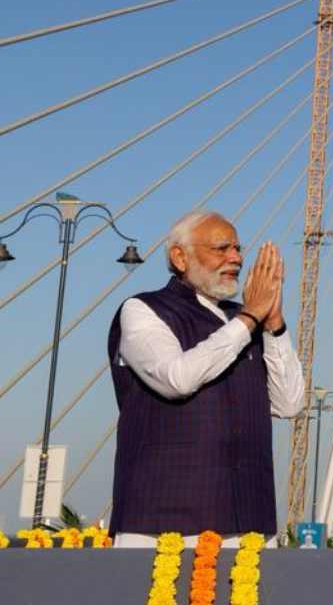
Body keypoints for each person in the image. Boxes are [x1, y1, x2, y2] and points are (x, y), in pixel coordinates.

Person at [107, 209, 304, 547]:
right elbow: (176, 379)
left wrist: (273, 325)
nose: (237, 258)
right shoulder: (144, 310)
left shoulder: (248, 322)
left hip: (249, 518)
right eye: (222, 248)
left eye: (238, 249)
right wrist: (250, 317)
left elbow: (290, 404)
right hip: (162, 521)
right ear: (180, 257)